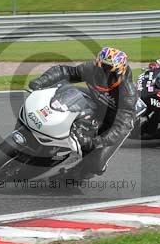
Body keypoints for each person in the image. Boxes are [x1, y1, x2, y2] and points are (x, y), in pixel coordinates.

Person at [28, 47, 137, 179]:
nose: (104, 75)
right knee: (65, 94)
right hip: (96, 104)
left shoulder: (127, 92)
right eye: (101, 69)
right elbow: (65, 71)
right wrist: (41, 81)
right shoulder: (90, 69)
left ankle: (81, 175)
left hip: (116, 121)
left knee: (96, 164)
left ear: (120, 73)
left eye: (110, 73)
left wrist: (97, 142)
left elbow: (121, 125)